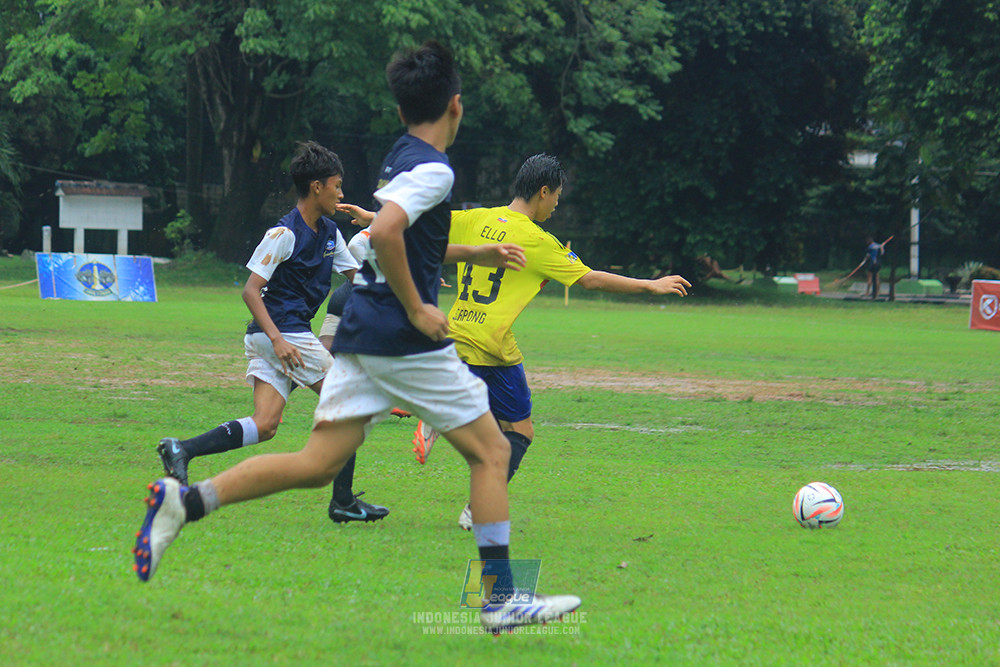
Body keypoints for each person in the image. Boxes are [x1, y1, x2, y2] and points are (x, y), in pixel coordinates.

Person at [133, 41, 581, 633]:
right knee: (495, 450)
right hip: (400, 336)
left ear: (401, 112)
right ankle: (501, 599)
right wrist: (421, 306)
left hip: (361, 332)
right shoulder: (436, 168)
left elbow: (395, 236)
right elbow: (391, 232)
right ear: (456, 106)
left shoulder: (401, 157)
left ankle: (183, 502)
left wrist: (475, 249)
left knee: (317, 464)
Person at [409, 153, 691, 530]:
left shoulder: (475, 218)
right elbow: (589, 279)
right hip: (491, 350)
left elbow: (416, 224)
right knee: (520, 432)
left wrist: (369, 218)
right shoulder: (538, 241)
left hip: (454, 337)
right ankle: (473, 502)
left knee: (491, 430)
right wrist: (649, 284)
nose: (557, 205)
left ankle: (442, 417)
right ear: (543, 192)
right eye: (557, 196)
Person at [154, 140, 389, 523]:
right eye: (337, 185)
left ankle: (181, 449)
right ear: (317, 187)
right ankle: (343, 501)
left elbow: (362, 279)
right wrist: (279, 341)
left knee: (265, 425)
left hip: (276, 338)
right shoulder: (283, 233)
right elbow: (250, 290)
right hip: (281, 335)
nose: (342, 193)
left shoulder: (330, 233)